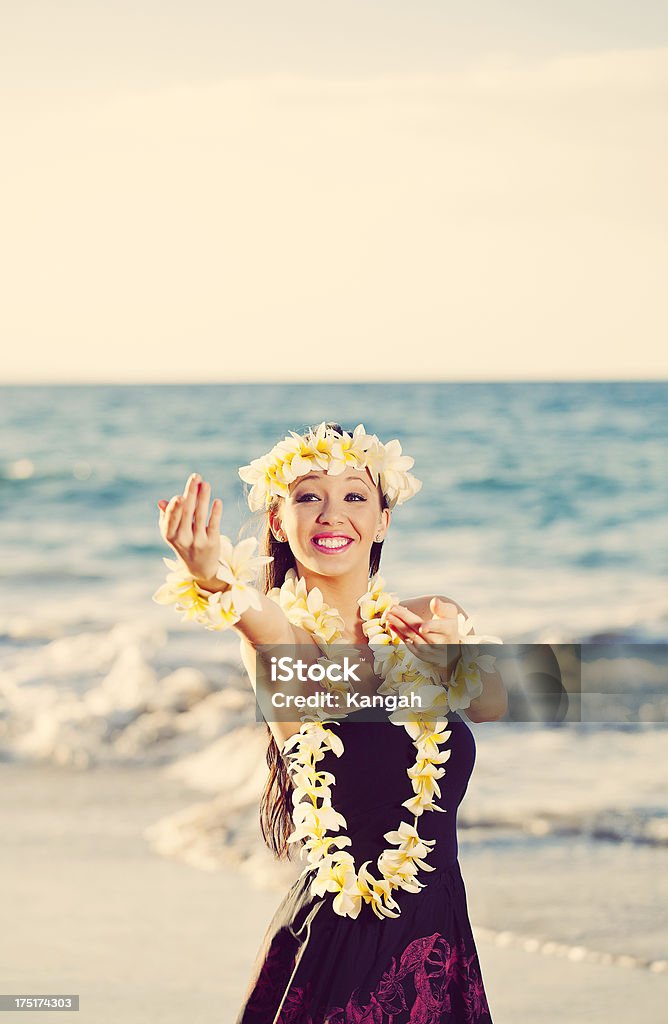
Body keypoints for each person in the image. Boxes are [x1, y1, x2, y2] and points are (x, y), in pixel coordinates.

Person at [154, 422, 508, 1023]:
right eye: (308, 495)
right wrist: (212, 575)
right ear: (277, 520)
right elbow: (252, 615)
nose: (331, 513)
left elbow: (491, 705)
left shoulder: (431, 617)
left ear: (383, 520)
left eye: (354, 495)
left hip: (438, 942)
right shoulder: (286, 641)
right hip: (339, 948)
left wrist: (457, 657)